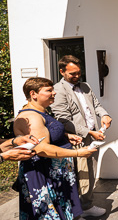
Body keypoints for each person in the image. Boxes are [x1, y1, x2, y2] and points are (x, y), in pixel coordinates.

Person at [13, 77, 97, 219]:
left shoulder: (41, 112)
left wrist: (65, 136)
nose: (54, 93)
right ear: (33, 94)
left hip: (56, 174)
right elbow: (42, 149)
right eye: (49, 90)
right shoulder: (32, 117)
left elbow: (45, 133)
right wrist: (78, 153)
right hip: (45, 175)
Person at [51, 55, 112, 218]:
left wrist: (104, 115)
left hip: (93, 136)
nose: (77, 76)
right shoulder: (58, 90)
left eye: (78, 72)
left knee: (89, 172)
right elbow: (63, 120)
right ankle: (83, 207)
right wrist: (89, 132)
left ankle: (84, 205)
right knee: (81, 174)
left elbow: (96, 105)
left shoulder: (85, 86)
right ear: (62, 72)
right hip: (76, 138)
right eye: (73, 74)